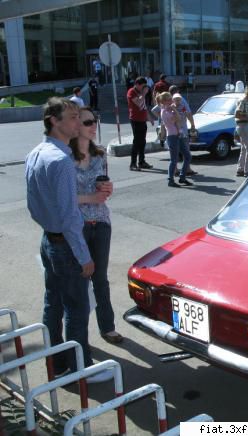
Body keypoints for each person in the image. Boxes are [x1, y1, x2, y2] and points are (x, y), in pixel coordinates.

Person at [25, 97, 112, 383]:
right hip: (64, 243)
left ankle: (57, 364)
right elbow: (69, 216)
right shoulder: (61, 160)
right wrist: (84, 256)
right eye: (72, 117)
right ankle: (80, 369)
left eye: (79, 117)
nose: (78, 122)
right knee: (76, 308)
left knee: (53, 304)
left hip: (49, 240)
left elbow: (34, 206)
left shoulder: (37, 152)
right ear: (54, 120)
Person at [69, 107, 122, 344]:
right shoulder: (64, 158)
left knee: (100, 278)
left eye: (95, 121)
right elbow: (61, 198)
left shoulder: (100, 154)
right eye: (88, 122)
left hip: (100, 222)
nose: (93, 126)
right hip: (76, 226)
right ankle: (79, 336)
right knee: (79, 281)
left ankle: (107, 327)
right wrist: (89, 197)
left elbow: (104, 186)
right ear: (75, 125)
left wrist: (107, 189)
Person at [160, 92, 193, 187]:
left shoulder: (170, 110)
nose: (171, 101)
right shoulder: (165, 112)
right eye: (169, 100)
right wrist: (174, 109)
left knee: (187, 156)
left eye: (171, 99)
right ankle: (170, 179)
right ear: (164, 101)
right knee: (174, 159)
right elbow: (177, 119)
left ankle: (182, 177)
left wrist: (174, 109)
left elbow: (179, 117)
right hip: (172, 136)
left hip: (179, 135)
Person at [127, 76, 154, 171]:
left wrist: (150, 118)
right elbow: (138, 103)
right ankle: (132, 164)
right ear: (137, 84)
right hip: (135, 120)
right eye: (142, 86)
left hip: (142, 120)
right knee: (136, 142)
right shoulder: (132, 91)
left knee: (142, 142)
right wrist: (143, 93)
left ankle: (141, 161)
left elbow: (144, 107)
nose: (143, 88)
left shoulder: (140, 92)